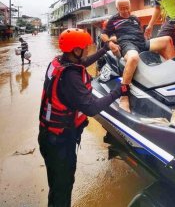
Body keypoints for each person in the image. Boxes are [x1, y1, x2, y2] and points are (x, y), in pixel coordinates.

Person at [38, 28, 122, 207]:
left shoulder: (59, 62)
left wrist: (104, 48)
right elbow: (91, 108)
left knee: (57, 184)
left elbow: (82, 63)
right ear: (75, 51)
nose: (87, 50)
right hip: (59, 141)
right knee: (63, 186)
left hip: (49, 135)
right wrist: (118, 92)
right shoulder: (70, 78)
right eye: (84, 47)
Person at [101, 0, 174, 113]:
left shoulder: (135, 18)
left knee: (167, 40)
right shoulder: (113, 20)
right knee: (134, 57)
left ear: (130, 6)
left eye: (127, 8)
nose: (125, 11)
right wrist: (110, 43)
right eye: (122, 8)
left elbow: (138, 33)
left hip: (141, 42)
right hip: (127, 44)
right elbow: (103, 35)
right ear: (117, 8)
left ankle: (171, 76)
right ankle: (124, 95)